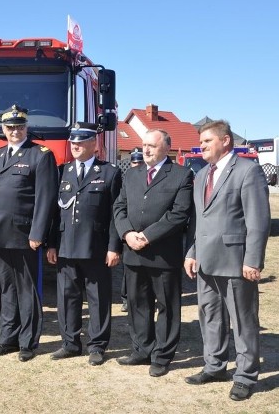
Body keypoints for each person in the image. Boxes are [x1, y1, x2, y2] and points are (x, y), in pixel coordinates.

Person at [184, 120, 271, 401]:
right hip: (206, 261)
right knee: (210, 315)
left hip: (236, 262)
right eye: (201, 141)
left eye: (208, 141)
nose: (202, 146)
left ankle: (245, 375)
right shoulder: (201, 176)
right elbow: (202, 221)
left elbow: (258, 221)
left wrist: (253, 260)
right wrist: (192, 252)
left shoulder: (248, 171)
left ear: (225, 141)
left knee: (243, 320)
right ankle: (214, 365)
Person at [0, 104, 58, 362]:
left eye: (20, 127)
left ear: (27, 128)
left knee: (27, 291)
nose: (15, 131)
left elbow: (45, 199)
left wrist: (38, 233)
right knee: (5, 290)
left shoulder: (40, 155)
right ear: (3, 129)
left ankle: (27, 342)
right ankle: (7, 339)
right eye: (10, 127)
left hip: (25, 236)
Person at [113, 129, 193, 377]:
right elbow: (119, 207)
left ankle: (162, 355)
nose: (145, 150)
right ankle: (141, 349)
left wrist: (147, 236)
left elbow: (179, 214)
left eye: (152, 146)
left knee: (167, 306)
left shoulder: (181, 175)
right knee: (137, 304)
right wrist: (126, 234)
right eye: (143, 145)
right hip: (133, 253)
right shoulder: (132, 174)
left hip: (162, 254)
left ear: (166, 148)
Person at [46, 123, 122, 366]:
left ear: (94, 144)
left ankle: (97, 345)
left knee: (98, 298)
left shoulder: (109, 172)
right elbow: (54, 213)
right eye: (73, 142)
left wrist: (114, 247)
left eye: (81, 142)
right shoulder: (62, 171)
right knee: (67, 296)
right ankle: (70, 343)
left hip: (96, 247)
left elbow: (115, 214)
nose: (75, 146)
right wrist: (51, 244)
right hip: (66, 246)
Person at [120, 147, 144, 313]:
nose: (136, 165)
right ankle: (125, 298)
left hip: (144, 231)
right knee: (126, 269)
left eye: (139, 162)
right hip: (128, 228)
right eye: (134, 162)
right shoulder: (126, 177)